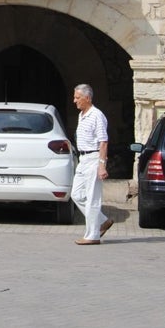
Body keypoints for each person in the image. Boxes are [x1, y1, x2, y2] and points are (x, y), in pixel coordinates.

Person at [70, 83, 113, 245]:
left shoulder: (97, 115)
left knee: (92, 198)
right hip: (83, 159)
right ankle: (102, 221)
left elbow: (103, 142)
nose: (75, 101)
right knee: (76, 194)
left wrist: (102, 165)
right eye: (74, 97)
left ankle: (92, 235)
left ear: (87, 98)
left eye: (77, 97)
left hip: (94, 158)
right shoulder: (82, 115)